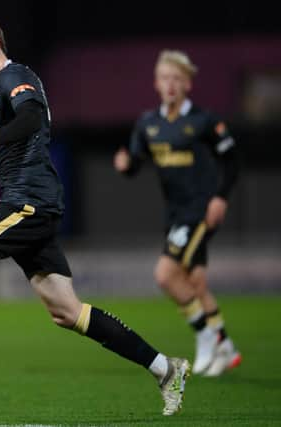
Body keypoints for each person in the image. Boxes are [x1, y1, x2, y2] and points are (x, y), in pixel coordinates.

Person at [0, 9, 190, 417]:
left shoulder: (13, 77)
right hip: (34, 209)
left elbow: (31, 116)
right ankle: (167, 369)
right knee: (68, 312)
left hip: (28, 206)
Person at [113, 50, 241, 377]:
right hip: (174, 213)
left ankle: (205, 337)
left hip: (199, 210)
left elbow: (231, 162)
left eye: (177, 79)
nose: (171, 85)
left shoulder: (204, 121)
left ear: (188, 84)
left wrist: (220, 199)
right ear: (157, 83)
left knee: (166, 275)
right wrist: (126, 165)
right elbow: (136, 161)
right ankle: (224, 345)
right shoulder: (148, 123)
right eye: (165, 78)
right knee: (195, 280)